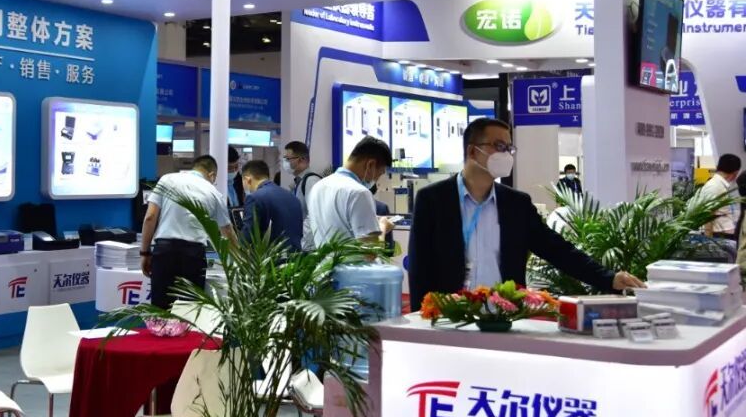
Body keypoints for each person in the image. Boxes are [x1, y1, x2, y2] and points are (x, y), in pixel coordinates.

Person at [408, 118, 645, 308]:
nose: (506, 154)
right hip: (451, 315)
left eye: (509, 148)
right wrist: (423, 317)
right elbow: (420, 266)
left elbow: (556, 249)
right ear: (472, 151)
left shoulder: (516, 204)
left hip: (503, 314)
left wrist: (608, 278)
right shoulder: (433, 200)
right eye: (498, 146)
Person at [140, 155, 236, 309]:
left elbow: (150, 217)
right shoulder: (213, 192)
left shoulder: (167, 179)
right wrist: (241, 261)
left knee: (160, 310)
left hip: (164, 252)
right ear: (212, 175)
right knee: (190, 311)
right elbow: (228, 232)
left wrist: (144, 253)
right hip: (193, 255)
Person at [306, 136, 394, 249]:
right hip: (352, 261)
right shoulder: (359, 193)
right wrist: (383, 226)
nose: (377, 180)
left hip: (325, 260)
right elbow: (370, 252)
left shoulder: (317, 187)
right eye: (380, 173)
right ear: (370, 165)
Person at [240, 159, 304, 251]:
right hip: (295, 256)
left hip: (271, 257)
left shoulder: (254, 198)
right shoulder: (292, 197)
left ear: (247, 180)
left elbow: (248, 237)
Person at [282, 140, 322, 250]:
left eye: (288, 159)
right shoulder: (299, 182)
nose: (285, 163)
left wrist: (304, 245)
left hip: (310, 246)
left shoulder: (311, 181)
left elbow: (314, 215)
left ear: (302, 159)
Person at [698, 154, 743, 240]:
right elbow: (707, 215)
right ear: (735, 173)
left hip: (723, 235)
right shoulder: (715, 186)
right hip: (719, 236)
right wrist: (709, 241)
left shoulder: (719, 185)